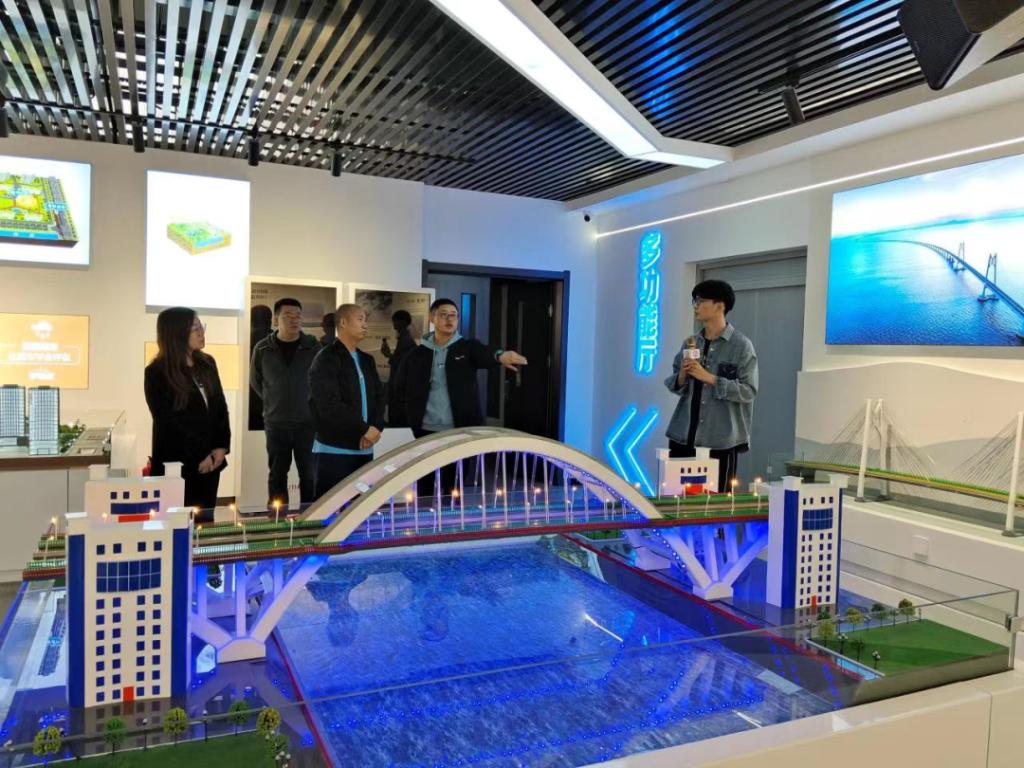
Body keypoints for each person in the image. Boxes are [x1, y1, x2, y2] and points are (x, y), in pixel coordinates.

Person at [392, 297, 527, 496]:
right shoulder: (416, 354)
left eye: (453, 315)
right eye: (443, 315)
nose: (449, 319)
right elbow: (399, 388)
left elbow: (486, 353)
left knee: (454, 488)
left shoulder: (467, 347)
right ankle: (427, 515)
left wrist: (500, 355)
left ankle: (451, 515)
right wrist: (411, 417)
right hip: (425, 432)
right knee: (425, 486)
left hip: (460, 432)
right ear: (432, 318)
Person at [664, 279, 758, 492]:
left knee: (717, 503)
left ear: (720, 306)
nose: (695, 306)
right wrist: (683, 374)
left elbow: (748, 391)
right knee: (676, 499)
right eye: (694, 301)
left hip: (720, 441)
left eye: (701, 301)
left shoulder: (741, 346)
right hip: (683, 436)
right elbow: (675, 385)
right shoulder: (691, 342)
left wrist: (709, 377)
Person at [144, 307, 230, 523]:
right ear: (177, 333)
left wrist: (220, 446)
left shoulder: (207, 363)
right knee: (177, 526)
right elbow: (168, 422)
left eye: (202, 326)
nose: (202, 332)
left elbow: (219, 406)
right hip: (178, 464)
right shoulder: (157, 372)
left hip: (211, 461)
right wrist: (200, 454)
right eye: (195, 328)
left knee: (203, 522)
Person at [309, 304, 386, 499]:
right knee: (331, 509)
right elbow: (329, 405)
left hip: (365, 448)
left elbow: (379, 397)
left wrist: (376, 428)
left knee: (361, 508)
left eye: (365, 320)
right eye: (360, 319)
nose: (365, 325)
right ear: (343, 322)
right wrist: (363, 429)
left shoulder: (367, 360)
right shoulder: (326, 358)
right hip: (334, 451)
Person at [250, 298, 319, 510]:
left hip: (307, 424)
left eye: (298, 316)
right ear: (275, 319)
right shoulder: (263, 348)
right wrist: (274, 401)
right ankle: (278, 519)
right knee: (277, 474)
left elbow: (322, 381)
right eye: (288, 315)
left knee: (309, 474)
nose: (294, 320)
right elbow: (256, 382)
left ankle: (310, 517)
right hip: (276, 424)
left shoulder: (313, 346)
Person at [380, 309, 416, 427]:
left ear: (402, 322)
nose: (394, 323)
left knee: (398, 418)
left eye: (395, 320)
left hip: (400, 386)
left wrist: (389, 356)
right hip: (399, 385)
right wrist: (389, 355)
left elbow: (402, 363)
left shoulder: (406, 341)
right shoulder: (404, 340)